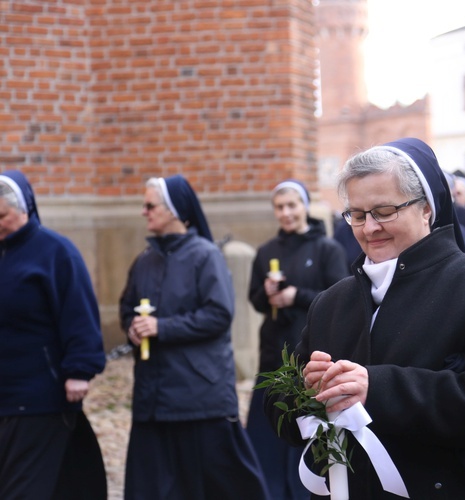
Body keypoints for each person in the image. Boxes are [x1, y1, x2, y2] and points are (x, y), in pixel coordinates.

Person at [267, 137, 465, 498]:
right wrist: (306, 391)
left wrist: (374, 389)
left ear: (426, 208)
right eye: (358, 215)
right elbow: (281, 413)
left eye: (384, 211)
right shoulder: (330, 302)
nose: (369, 228)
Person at [119, 175, 269, 500]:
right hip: (152, 397)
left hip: (198, 397)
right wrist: (132, 326)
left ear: (174, 210)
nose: (144, 212)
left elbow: (218, 314)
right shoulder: (145, 260)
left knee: (218, 487)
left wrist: (161, 327)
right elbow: (127, 307)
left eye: (150, 205)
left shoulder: (205, 256)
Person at [0, 170, 107, 499]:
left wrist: (79, 369)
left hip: (38, 398)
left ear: (24, 210)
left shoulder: (55, 252)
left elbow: (79, 313)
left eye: (1, 215)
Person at [246, 180, 348, 500]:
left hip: (309, 354)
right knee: (267, 435)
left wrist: (296, 295)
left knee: (303, 432)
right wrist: (268, 295)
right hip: (273, 353)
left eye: (292, 205)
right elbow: (255, 300)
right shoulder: (267, 251)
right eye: (279, 207)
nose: (286, 213)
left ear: (304, 206)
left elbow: (338, 296)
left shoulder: (327, 249)